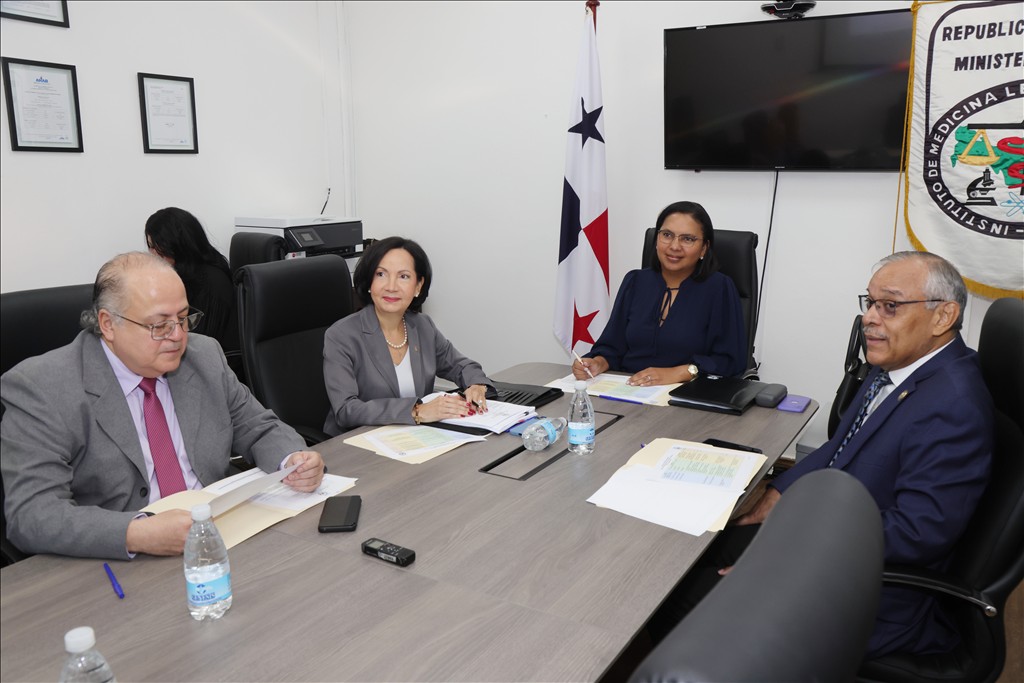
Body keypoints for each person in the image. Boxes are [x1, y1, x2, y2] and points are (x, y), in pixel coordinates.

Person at [650, 250, 993, 659]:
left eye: (890, 306)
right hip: (833, 529)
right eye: (870, 303)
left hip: (866, 592)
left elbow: (917, 533)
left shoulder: (953, 405)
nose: (869, 318)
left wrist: (795, 558)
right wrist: (776, 495)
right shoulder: (899, 365)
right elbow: (839, 447)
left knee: (670, 600)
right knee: (686, 555)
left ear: (943, 317)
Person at [0, 252, 324, 560]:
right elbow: (32, 514)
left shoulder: (204, 356)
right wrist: (136, 533)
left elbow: (257, 426)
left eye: (183, 318)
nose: (178, 336)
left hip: (220, 537)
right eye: (160, 325)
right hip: (117, 564)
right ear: (108, 324)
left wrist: (291, 460)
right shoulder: (42, 387)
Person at [323, 236, 492, 436]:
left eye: (403, 276)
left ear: (418, 286)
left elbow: (462, 366)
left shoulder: (422, 326)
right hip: (357, 442)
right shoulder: (341, 335)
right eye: (381, 274)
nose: (391, 286)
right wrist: (417, 411)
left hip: (413, 437)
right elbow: (346, 410)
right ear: (369, 281)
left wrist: (476, 385)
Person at [572, 201, 747, 386]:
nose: (674, 246)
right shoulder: (635, 281)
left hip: (688, 393)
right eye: (667, 235)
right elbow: (613, 346)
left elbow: (730, 361)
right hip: (629, 388)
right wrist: (598, 363)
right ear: (656, 239)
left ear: (704, 248)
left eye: (687, 239)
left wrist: (680, 373)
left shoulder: (719, 288)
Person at [144, 207, 238, 361]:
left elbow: (199, 345)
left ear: (178, 245)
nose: (153, 254)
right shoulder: (180, 275)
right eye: (150, 246)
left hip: (213, 364)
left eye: (158, 247)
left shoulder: (211, 282)